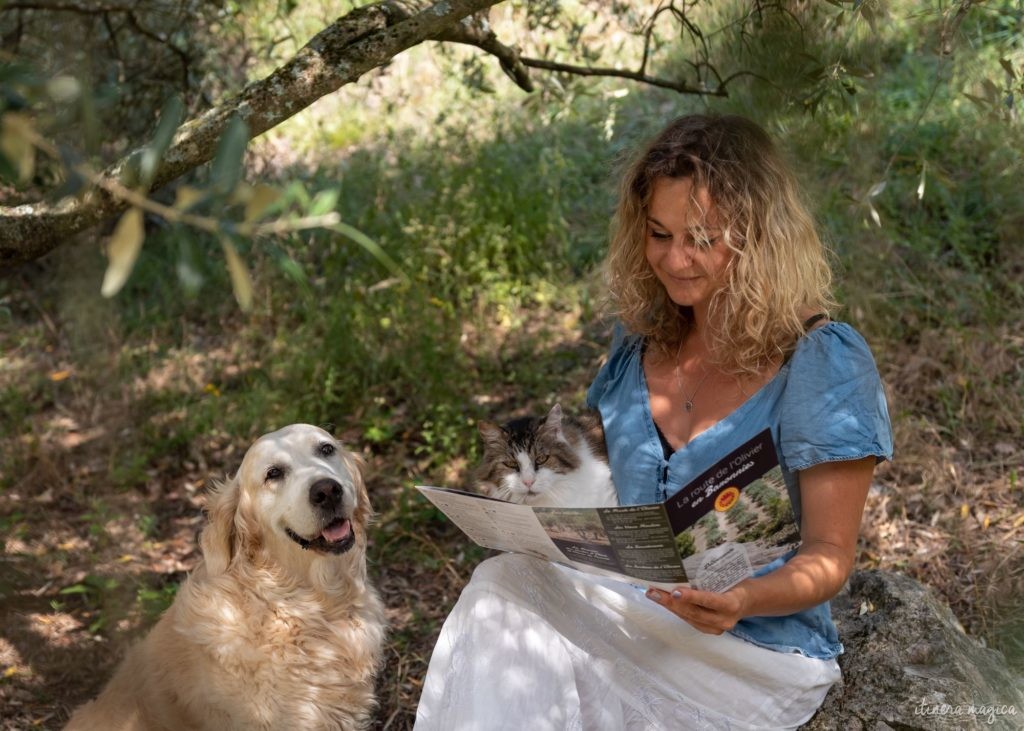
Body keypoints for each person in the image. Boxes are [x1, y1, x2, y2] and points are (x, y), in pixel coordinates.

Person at [414, 114, 893, 730]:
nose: (676, 260)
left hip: (753, 651)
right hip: (636, 612)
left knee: (506, 604)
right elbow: (621, 511)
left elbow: (830, 555)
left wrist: (740, 599)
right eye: (659, 234)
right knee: (503, 585)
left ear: (758, 236)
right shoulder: (637, 345)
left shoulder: (821, 358)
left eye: (701, 238)